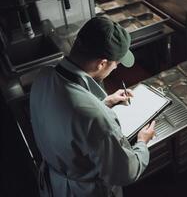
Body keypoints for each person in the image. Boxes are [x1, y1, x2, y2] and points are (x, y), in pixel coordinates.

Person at [30, 16, 156, 197]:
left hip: (53, 183)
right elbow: (126, 172)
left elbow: (67, 124)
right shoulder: (95, 118)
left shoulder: (44, 77)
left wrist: (104, 102)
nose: (115, 69)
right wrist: (143, 142)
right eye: (116, 65)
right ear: (102, 63)